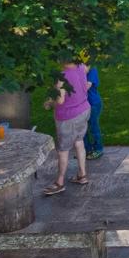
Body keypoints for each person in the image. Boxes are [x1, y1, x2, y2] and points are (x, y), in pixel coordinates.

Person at [43, 59, 92, 195]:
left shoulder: (61, 77)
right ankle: (82, 175)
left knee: (63, 150)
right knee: (79, 141)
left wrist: (49, 103)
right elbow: (88, 67)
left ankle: (59, 183)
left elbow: (60, 100)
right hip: (84, 110)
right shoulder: (81, 67)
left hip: (68, 117)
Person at [84, 62, 104, 162]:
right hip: (82, 105)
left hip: (93, 104)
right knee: (82, 128)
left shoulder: (92, 69)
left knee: (93, 126)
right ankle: (86, 150)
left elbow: (87, 86)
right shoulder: (78, 70)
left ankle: (98, 149)